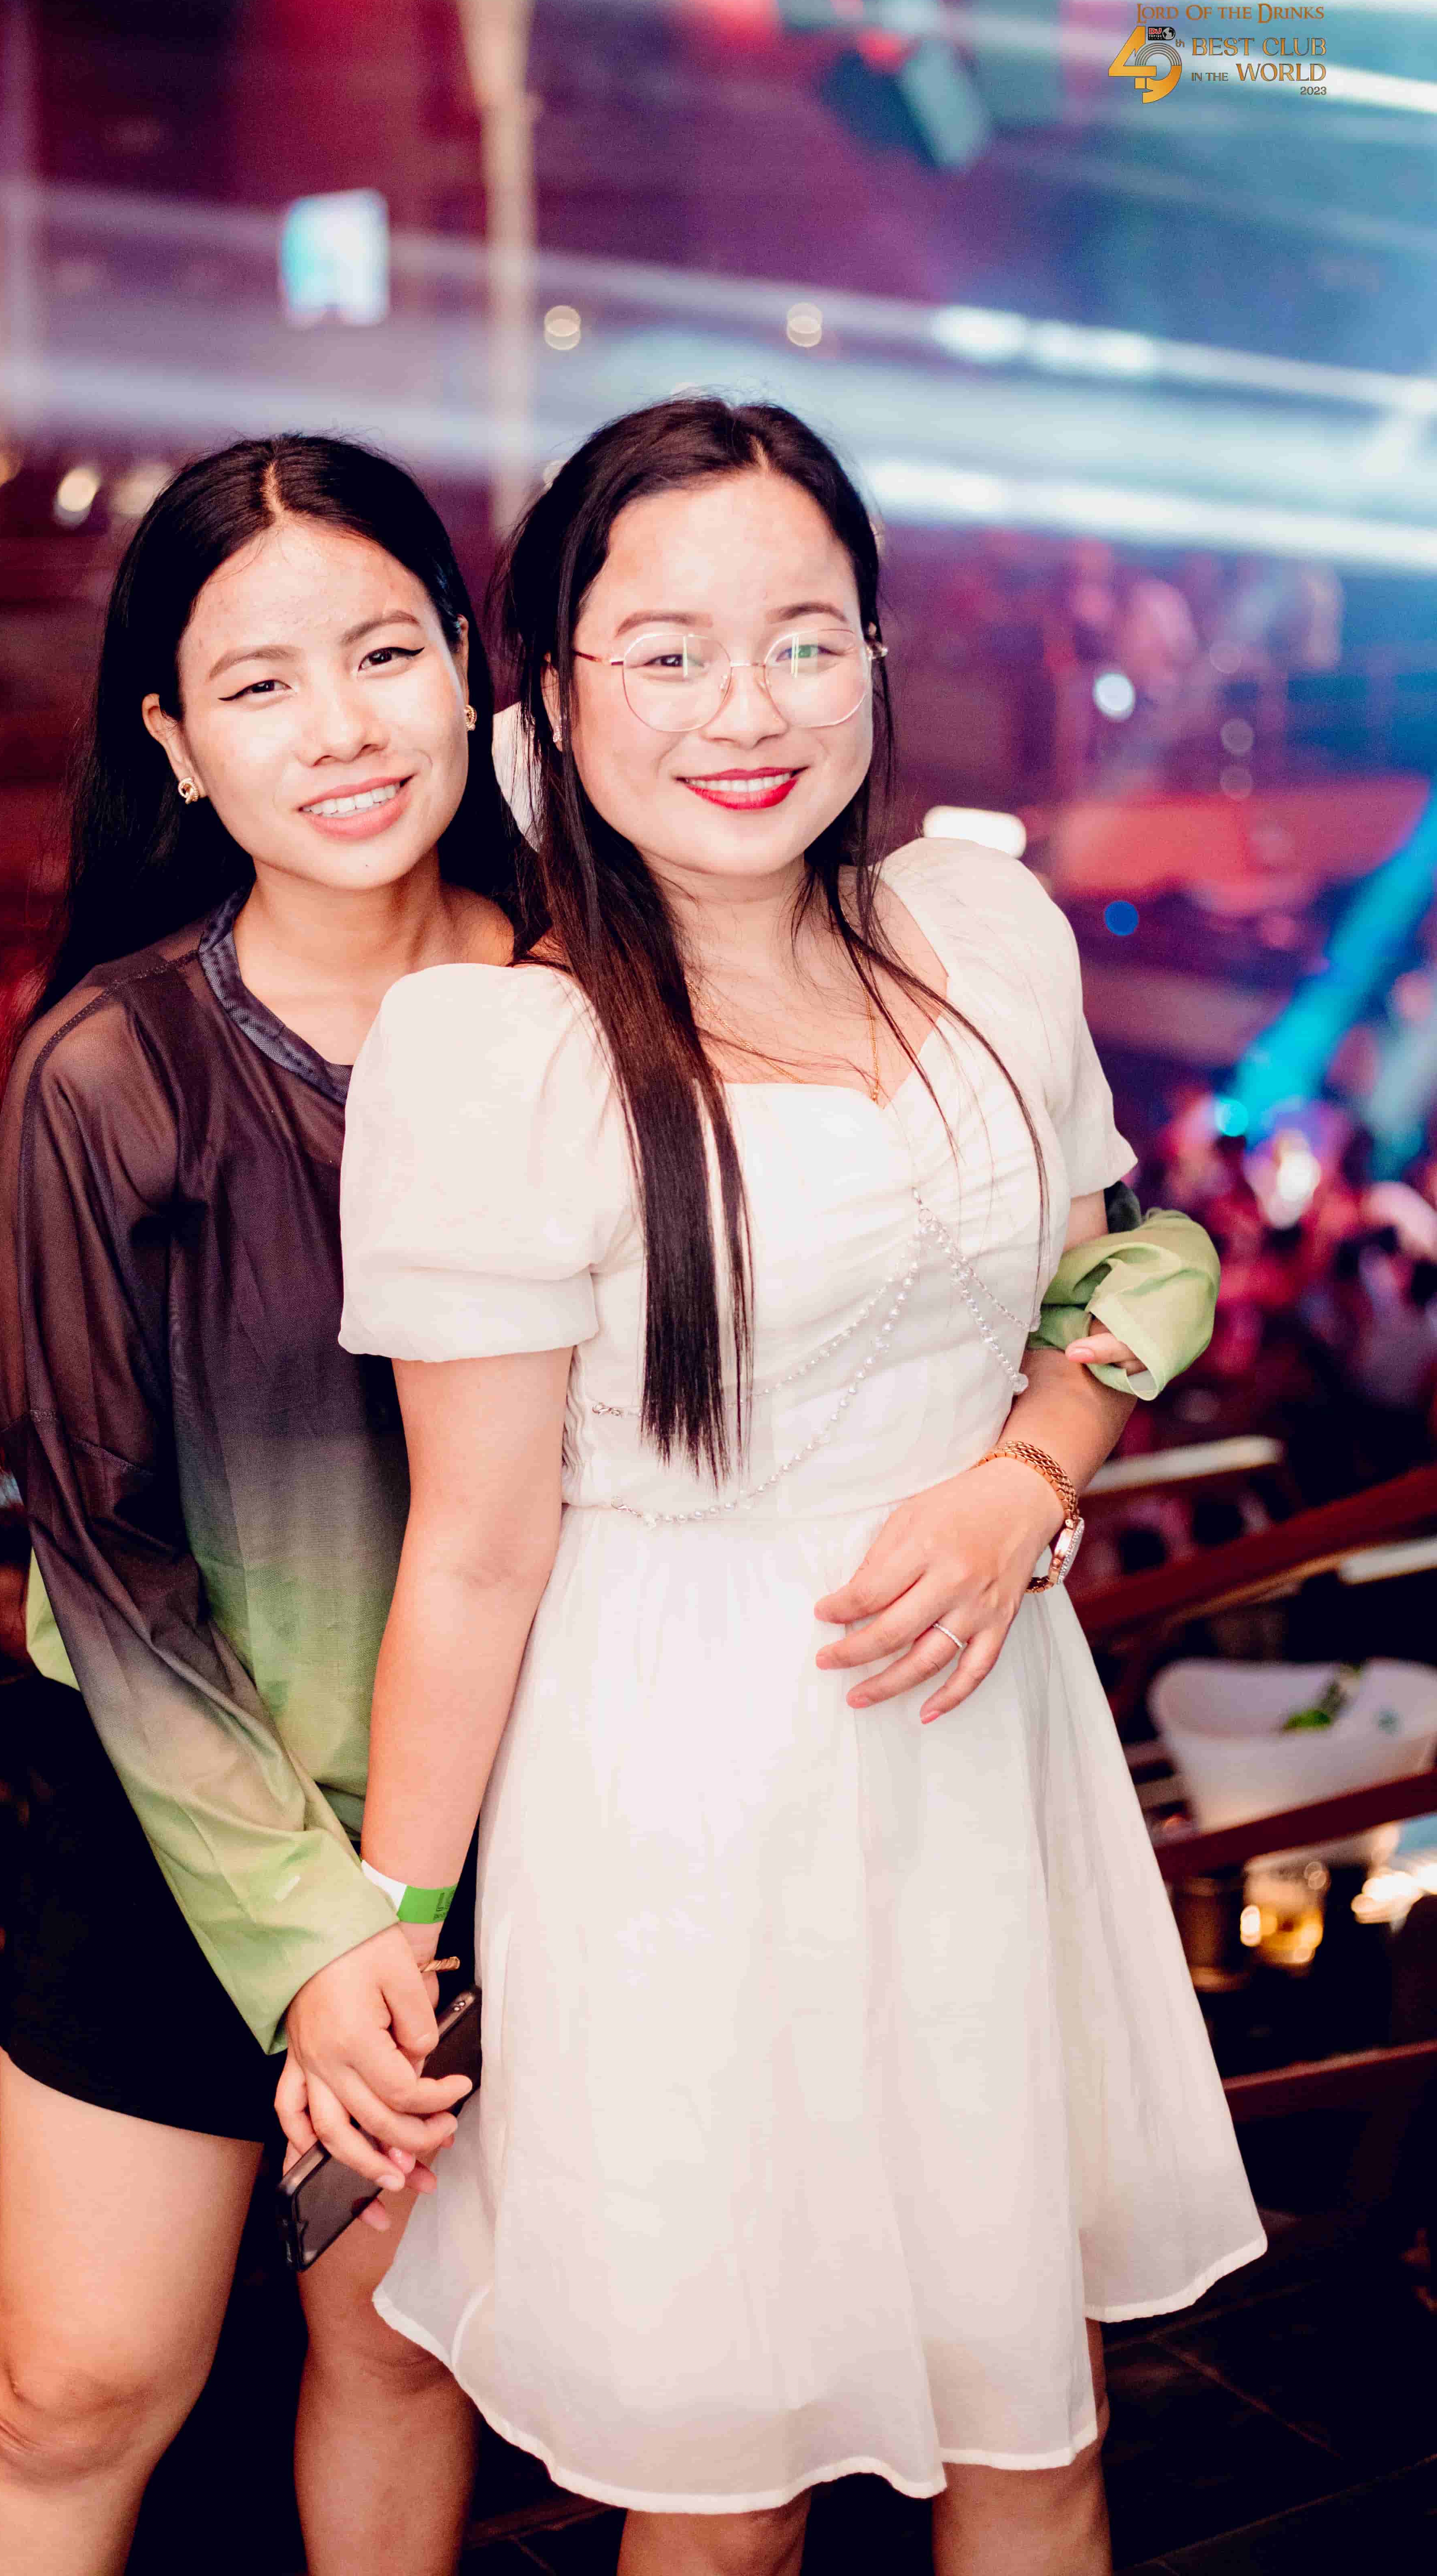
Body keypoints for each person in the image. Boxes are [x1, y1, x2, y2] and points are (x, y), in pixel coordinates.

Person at [315, 399, 1264, 2576]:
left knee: (1037, 2434)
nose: (746, 711)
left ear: (875, 657)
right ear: (556, 695)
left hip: (982, 1754)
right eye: (667, 653)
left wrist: (1025, 1477)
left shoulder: (981, 932)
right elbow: (474, 1553)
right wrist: (391, 1924)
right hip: (677, 1800)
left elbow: (1111, 1278)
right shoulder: (498, 1057)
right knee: (727, 2499)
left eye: (804, 641)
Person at [0, 436, 523, 2576]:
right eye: (259, 684)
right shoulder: (115, 1069)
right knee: (70, 2395)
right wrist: (321, 1940)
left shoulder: (595, 999)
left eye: (383, 653)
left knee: (400, 2361)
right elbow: (104, 1563)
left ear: (470, 665)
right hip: (187, 1827)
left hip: (509, 1822)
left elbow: (1082, 1235)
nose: (340, 727)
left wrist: (1041, 1447)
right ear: (173, 741)